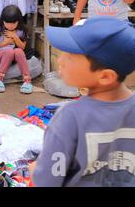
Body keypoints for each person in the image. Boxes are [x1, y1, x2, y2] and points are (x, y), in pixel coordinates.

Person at [31, 16, 135, 187]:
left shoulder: (70, 116)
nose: (61, 60)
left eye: (70, 56)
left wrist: (35, 170)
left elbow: (47, 181)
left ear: (105, 76)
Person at [0, 5, 33, 94]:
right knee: (9, 51)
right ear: (3, 21)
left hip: (14, 54)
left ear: (19, 21)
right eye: (7, 23)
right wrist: (6, 42)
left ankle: (27, 80)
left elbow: (22, 47)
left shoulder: (21, 31)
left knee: (19, 51)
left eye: (13, 23)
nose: (10, 26)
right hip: (0, 54)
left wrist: (15, 37)